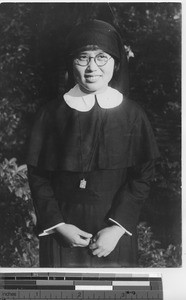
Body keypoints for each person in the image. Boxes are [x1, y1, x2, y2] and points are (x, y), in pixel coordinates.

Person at [27, 19, 160, 267]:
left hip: (113, 236)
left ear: (116, 63)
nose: (92, 67)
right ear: (70, 63)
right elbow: (38, 176)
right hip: (62, 235)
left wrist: (117, 229)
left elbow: (142, 175)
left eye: (102, 57)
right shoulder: (51, 114)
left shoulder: (133, 115)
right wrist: (58, 225)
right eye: (82, 57)